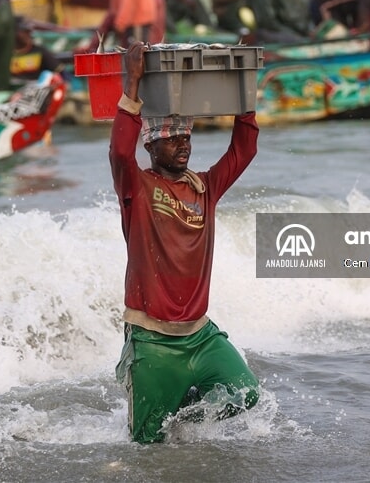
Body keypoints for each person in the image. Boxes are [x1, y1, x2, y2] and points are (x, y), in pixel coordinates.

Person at [109, 41, 260, 444]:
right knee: (146, 445)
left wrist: (243, 92)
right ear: (151, 146)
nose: (183, 145)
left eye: (186, 137)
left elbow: (243, 150)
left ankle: (183, 412)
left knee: (247, 394)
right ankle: (156, 395)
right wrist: (133, 83)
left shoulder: (205, 188)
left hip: (200, 335)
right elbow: (119, 153)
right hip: (152, 340)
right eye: (172, 139)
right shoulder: (138, 188)